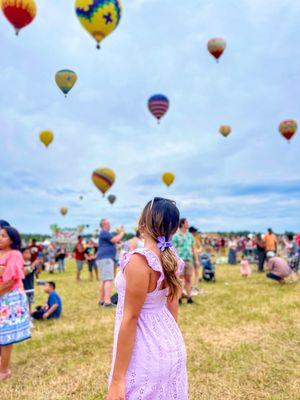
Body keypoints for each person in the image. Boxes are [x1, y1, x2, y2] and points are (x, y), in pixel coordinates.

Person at [107, 197, 188, 400]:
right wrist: (166, 342)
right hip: (170, 343)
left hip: (145, 348)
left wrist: (117, 380)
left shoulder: (139, 261)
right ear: (174, 229)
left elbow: (131, 317)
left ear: (142, 224)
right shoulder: (172, 258)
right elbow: (172, 305)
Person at [0, 226, 31, 381]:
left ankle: (4, 371)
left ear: (12, 239)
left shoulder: (15, 255)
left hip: (8, 299)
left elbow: (10, 280)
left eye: (3, 236)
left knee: (6, 336)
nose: (0, 238)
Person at [96, 220, 125, 307]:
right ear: (104, 224)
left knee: (104, 280)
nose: (110, 224)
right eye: (108, 223)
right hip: (106, 258)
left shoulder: (104, 233)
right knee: (108, 279)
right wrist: (122, 232)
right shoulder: (105, 232)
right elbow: (115, 239)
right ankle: (107, 302)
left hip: (103, 258)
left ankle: (101, 300)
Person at [173, 218, 200, 304]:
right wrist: (175, 260)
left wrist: (196, 260)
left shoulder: (190, 236)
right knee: (180, 280)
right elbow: (174, 249)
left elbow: (193, 248)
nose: (188, 223)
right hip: (180, 260)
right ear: (182, 224)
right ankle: (179, 298)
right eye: (187, 222)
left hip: (189, 260)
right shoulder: (176, 236)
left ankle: (189, 297)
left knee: (188, 279)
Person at [22, 247, 41, 313]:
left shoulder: (31, 263)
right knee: (23, 303)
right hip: (23, 288)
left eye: (29, 253)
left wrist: (39, 264)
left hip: (30, 287)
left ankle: (29, 315)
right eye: (26, 253)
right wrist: (34, 263)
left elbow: (38, 271)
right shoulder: (21, 264)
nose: (28, 254)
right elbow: (25, 273)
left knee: (29, 303)